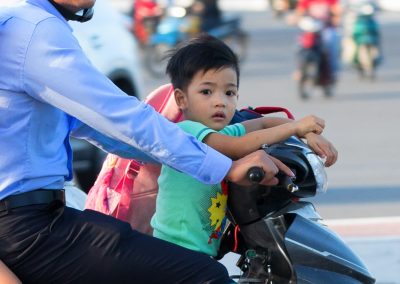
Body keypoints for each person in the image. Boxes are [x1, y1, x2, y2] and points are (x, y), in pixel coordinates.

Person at [0, 0, 295, 283]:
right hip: (31, 229)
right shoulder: (36, 30)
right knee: (203, 276)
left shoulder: (24, 26)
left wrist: (215, 151)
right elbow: (122, 116)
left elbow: (105, 130)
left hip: (30, 224)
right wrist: (223, 167)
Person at [151, 34, 338, 257]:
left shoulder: (224, 131)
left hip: (201, 254)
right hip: (177, 252)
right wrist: (295, 129)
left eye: (229, 92)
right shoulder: (188, 132)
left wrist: (307, 132)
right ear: (182, 99)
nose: (220, 101)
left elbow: (262, 121)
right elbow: (236, 146)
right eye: (206, 92)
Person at [291, 0, 342, 81]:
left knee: (330, 45)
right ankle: (299, 70)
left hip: (326, 27)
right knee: (299, 46)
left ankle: (332, 71)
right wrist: (294, 19)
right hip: (310, 28)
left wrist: (336, 19)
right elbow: (299, 12)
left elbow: (337, 11)